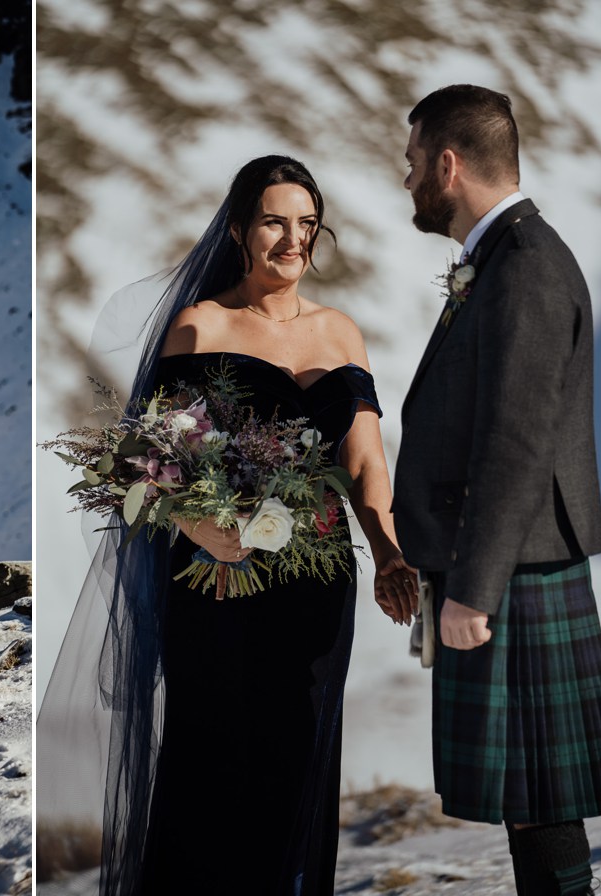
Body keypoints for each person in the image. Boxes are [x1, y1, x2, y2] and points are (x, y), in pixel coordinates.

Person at [39, 155, 416, 894]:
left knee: (294, 760)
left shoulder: (343, 333)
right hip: (217, 578)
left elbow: (366, 460)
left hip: (316, 576)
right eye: (276, 221)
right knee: (212, 764)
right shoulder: (200, 324)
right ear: (240, 229)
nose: (293, 239)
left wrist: (389, 553)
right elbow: (144, 460)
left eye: (306, 224)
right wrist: (197, 525)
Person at [392, 84, 601, 895]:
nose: (408, 177)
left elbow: (518, 443)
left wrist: (473, 589)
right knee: (529, 794)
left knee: (538, 790)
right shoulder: (503, 258)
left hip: (516, 567)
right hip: (511, 560)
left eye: (414, 161)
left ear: (449, 165)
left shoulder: (525, 268)